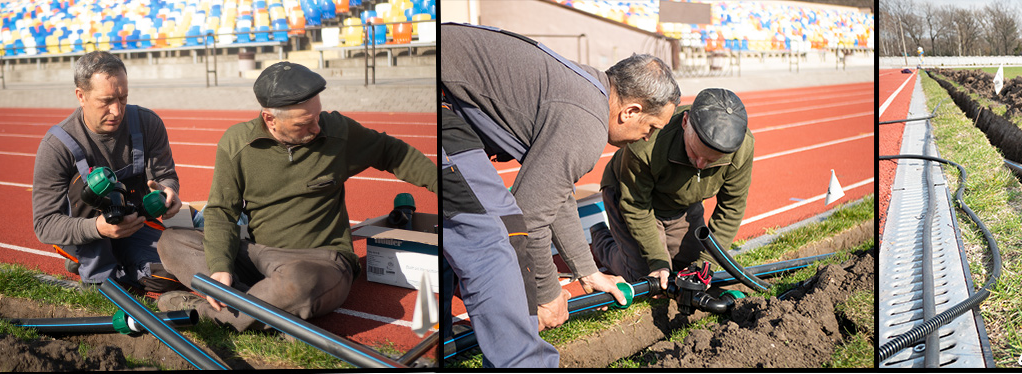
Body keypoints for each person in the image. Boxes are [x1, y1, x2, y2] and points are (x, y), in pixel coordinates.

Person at [440, 23, 679, 367]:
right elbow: (530, 216)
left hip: (448, 95)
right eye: (651, 128)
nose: (646, 139)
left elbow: (554, 194)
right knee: (493, 231)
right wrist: (548, 295)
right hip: (443, 100)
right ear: (632, 111)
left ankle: (445, 338)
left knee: (466, 216)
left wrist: (587, 271)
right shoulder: (587, 124)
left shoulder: (588, 89)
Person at [154, 62, 437, 331]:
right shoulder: (237, 143)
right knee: (172, 241)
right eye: (305, 124)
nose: (316, 127)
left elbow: (393, 152)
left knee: (299, 284)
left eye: (317, 117)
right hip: (259, 256)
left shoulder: (337, 131)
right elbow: (221, 212)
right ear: (270, 119)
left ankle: (206, 312)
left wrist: (449, 188)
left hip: (321, 262)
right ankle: (267, 308)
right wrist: (219, 268)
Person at [32, 51, 183, 293]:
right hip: (86, 231)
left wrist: (168, 191)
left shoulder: (148, 123)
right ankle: (95, 276)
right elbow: (44, 224)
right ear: (81, 96)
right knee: (91, 183)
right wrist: (97, 229)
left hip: (135, 224)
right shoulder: (57, 146)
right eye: (106, 101)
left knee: (173, 276)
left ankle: (125, 267)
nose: (117, 110)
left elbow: (165, 175)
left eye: (123, 98)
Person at [591, 88, 753, 291]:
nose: (700, 165)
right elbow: (636, 206)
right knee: (646, 278)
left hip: (682, 202)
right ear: (685, 122)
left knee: (688, 270)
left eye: (712, 161)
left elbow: (731, 208)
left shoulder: (741, 149)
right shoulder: (646, 143)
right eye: (694, 153)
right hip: (631, 196)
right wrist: (657, 261)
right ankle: (601, 240)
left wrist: (706, 264)